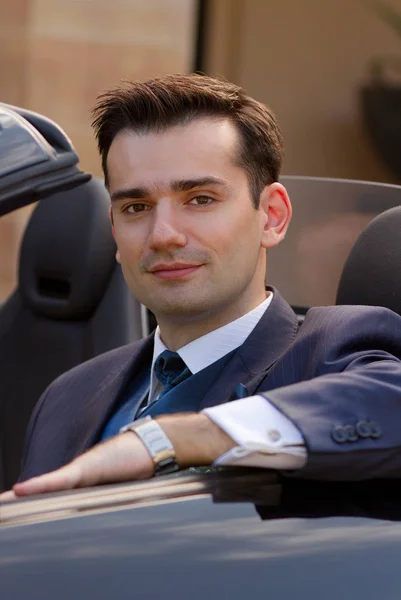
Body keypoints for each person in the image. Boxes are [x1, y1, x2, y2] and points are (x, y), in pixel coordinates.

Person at [3, 73, 401, 500]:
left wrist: (169, 439)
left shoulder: (334, 349)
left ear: (272, 216)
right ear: (114, 231)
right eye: (136, 207)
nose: (163, 235)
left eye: (200, 199)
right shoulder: (66, 396)